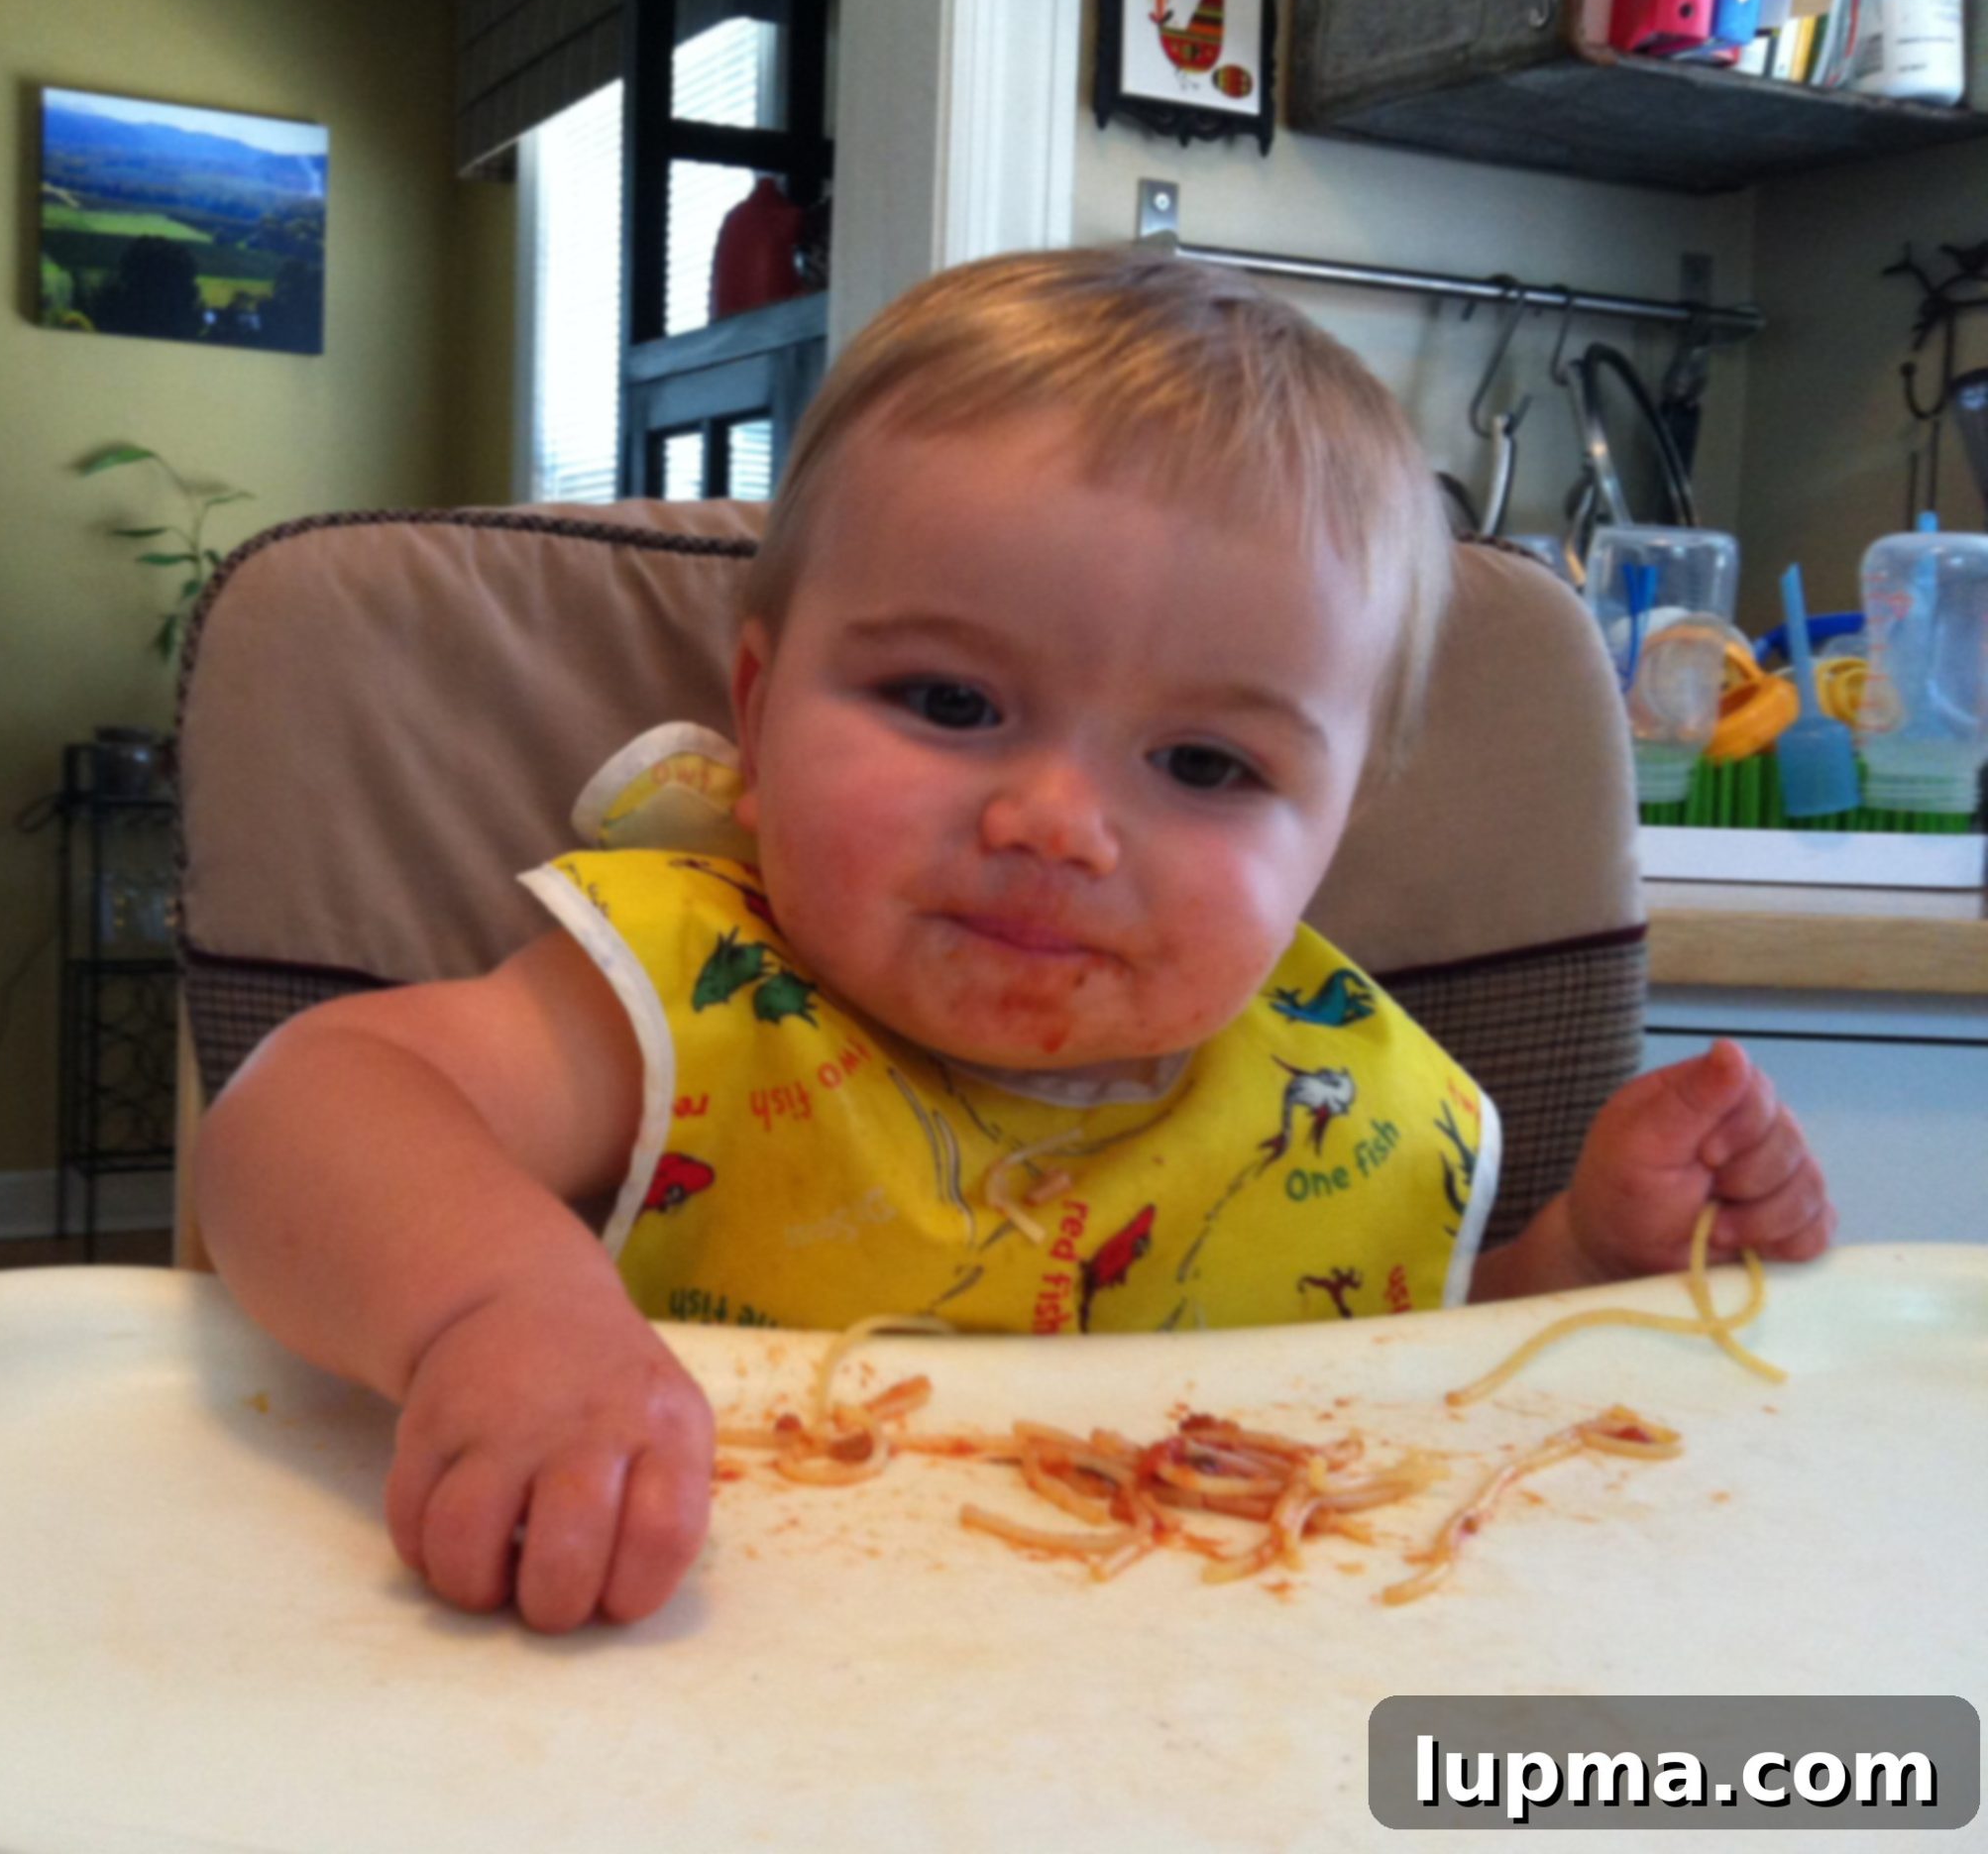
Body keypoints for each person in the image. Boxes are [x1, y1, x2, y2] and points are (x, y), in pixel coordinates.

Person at [194, 249, 1832, 1637]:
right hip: (695, 1703)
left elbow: (1410, 1361)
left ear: (1335, 828)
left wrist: (1587, 1269)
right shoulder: (694, 995)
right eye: (951, 703)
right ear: (757, 720)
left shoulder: (1336, 1092)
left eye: (1206, 766)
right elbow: (311, 1103)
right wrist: (495, 1317)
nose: (1056, 821)